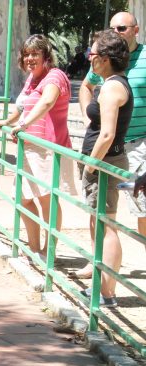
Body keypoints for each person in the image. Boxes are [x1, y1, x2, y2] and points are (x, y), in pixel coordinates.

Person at [0, 34, 76, 260]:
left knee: (46, 200)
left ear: (46, 56)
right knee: (22, 198)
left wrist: (23, 125)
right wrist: (8, 121)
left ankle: (48, 252)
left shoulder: (54, 76)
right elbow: (23, 106)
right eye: (27, 54)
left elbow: (47, 102)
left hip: (48, 148)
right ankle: (34, 246)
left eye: (35, 54)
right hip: (30, 147)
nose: (30, 58)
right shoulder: (32, 78)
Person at [79, 11, 146, 275]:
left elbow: (107, 133)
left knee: (141, 208)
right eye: (111, 28)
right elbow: (86, 86)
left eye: (120, 28)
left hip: (139, 141)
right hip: (109, 146)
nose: (115, 32)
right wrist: (89, 117)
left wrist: (89, 165)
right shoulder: (102, 62)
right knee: (102, 213)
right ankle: (99, 264)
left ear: (135, 30)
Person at [78, 29, 133, 308]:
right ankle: (101, 286)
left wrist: (90, 164)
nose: (89, 59)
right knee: (99, 224)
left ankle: (107, 293)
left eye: (93, 54)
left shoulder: (112, 87)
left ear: (105, 58)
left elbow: (108, 134)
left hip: (104, 163)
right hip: (102, 161)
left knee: (107, 227)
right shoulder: (110, 83)